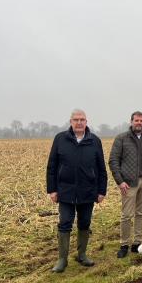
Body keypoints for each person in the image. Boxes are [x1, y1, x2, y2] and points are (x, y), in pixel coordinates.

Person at [46, 109, 107, 273]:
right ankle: (62, 259)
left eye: (82, 119)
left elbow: (101, 168)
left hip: (88, 191)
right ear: (71, 122)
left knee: (84, 223)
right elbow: (52, 166)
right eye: (76, 120)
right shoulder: (60, 139)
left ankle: (82, 255)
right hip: (65, 191)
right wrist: (52, 190)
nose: (79, 122)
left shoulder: (94, 141)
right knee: (65, 223)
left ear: (86, 122)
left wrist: (101, 191)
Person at [108, 111, 142, 258]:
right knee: (126, 215)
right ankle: (124, 244)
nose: (139, 123)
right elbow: (113, 161)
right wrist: (120, 181)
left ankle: (137, 243)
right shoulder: (122, 138)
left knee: (140, 213)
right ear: (131, 121)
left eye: (141, 121)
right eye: (136, 120)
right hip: (128, 183)